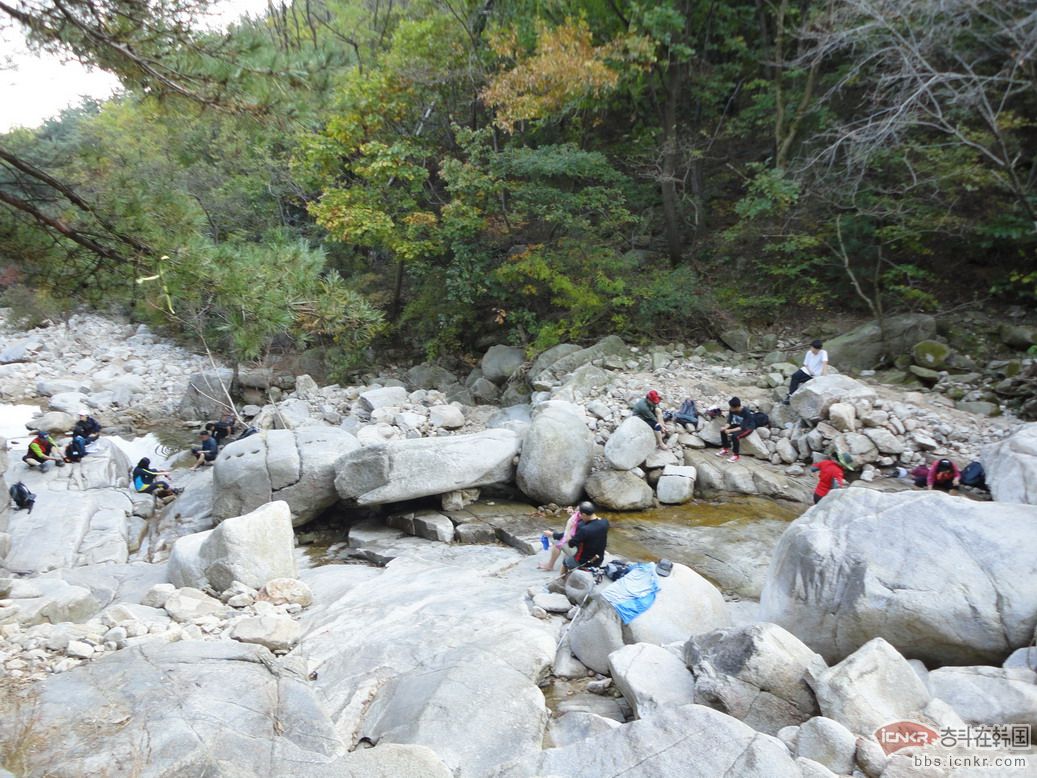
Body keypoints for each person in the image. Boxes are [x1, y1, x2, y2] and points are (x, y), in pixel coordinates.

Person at [538, 501, 592, 572]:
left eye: (577, 512)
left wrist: (552, 534)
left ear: (583, 514)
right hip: (590, 552)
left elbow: (566, 536)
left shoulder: (580, 525)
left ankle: (550, 566)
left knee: (557, 542)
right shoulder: (593, 521)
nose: (576, 513)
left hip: (581, 554)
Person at [563, 502, 609, 574]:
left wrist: (569, 528)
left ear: (584, 514)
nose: (580, 516)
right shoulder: (605, 522)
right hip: (598, 560)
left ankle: (563, 580)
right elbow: (595, 522)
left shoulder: (584, 530)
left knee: (566, 560)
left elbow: (570, 544)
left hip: (585, 563)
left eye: (580, 514)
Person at [716, 397, 756, 463]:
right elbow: (729, 422)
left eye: (732, 407)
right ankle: (725, 449)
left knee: (735, 436)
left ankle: (736, 455)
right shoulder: (732, 410)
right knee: (722, 431)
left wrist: (729, 431)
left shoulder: (746, 412)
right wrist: (725, 428)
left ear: (737, 407)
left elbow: (742, 428)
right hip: (738, 425)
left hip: (748, 427)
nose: (730, 409)